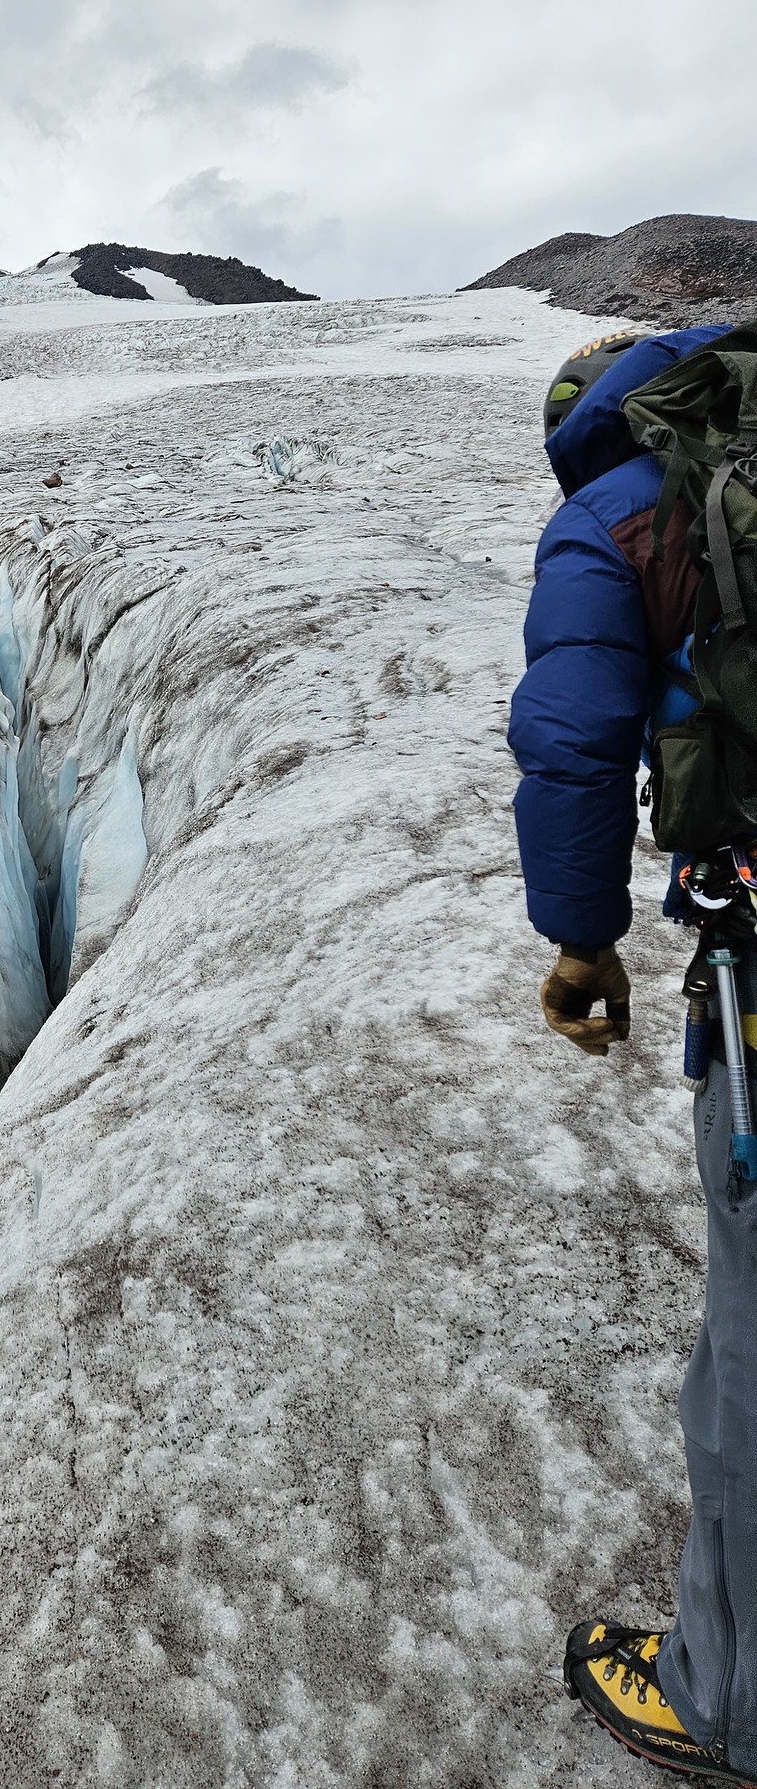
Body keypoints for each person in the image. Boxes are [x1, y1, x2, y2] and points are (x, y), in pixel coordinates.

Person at [508, 317, 757, 1781]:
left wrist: (584, 940)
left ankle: (725, 1702)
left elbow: (575, 741)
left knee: (750, 1355)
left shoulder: (617, 508)